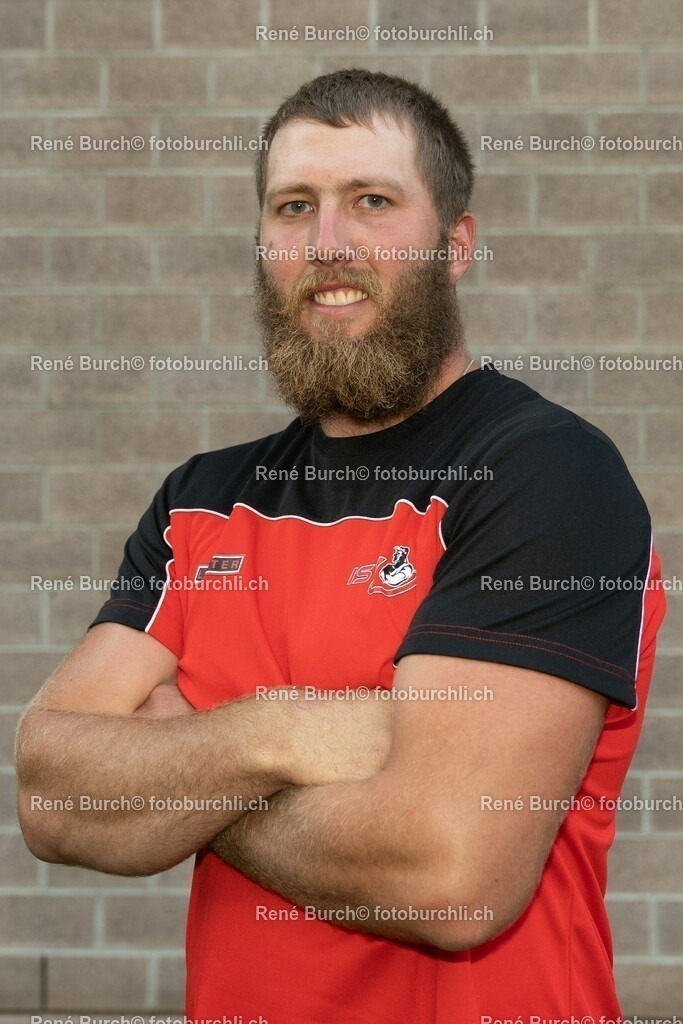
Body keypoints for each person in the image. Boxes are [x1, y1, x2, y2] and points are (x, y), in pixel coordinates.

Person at [16, 69, 666, 1022]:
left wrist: (184, 760)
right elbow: (53, 798)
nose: (328, 244)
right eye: (293, 207)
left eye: (371, 201)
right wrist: (287, 729)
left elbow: (449, 871)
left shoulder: (546, 476)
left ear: (455, 244)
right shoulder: (203, 503)